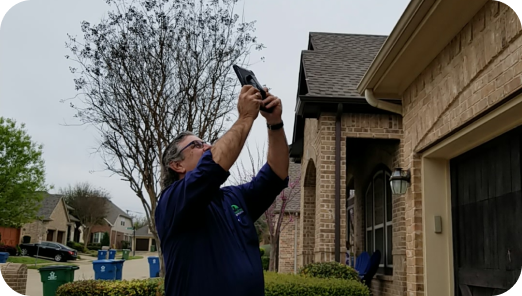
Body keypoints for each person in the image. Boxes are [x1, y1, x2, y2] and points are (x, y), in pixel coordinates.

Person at [155, 85, 289, 296]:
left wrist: (275, 123)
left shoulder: (234, 197)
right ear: (177, 165)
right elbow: (211, 167)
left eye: (205, 142)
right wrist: (245, 116)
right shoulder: (172, 202)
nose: (207, 146)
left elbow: (276, 174)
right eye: (197, 145)